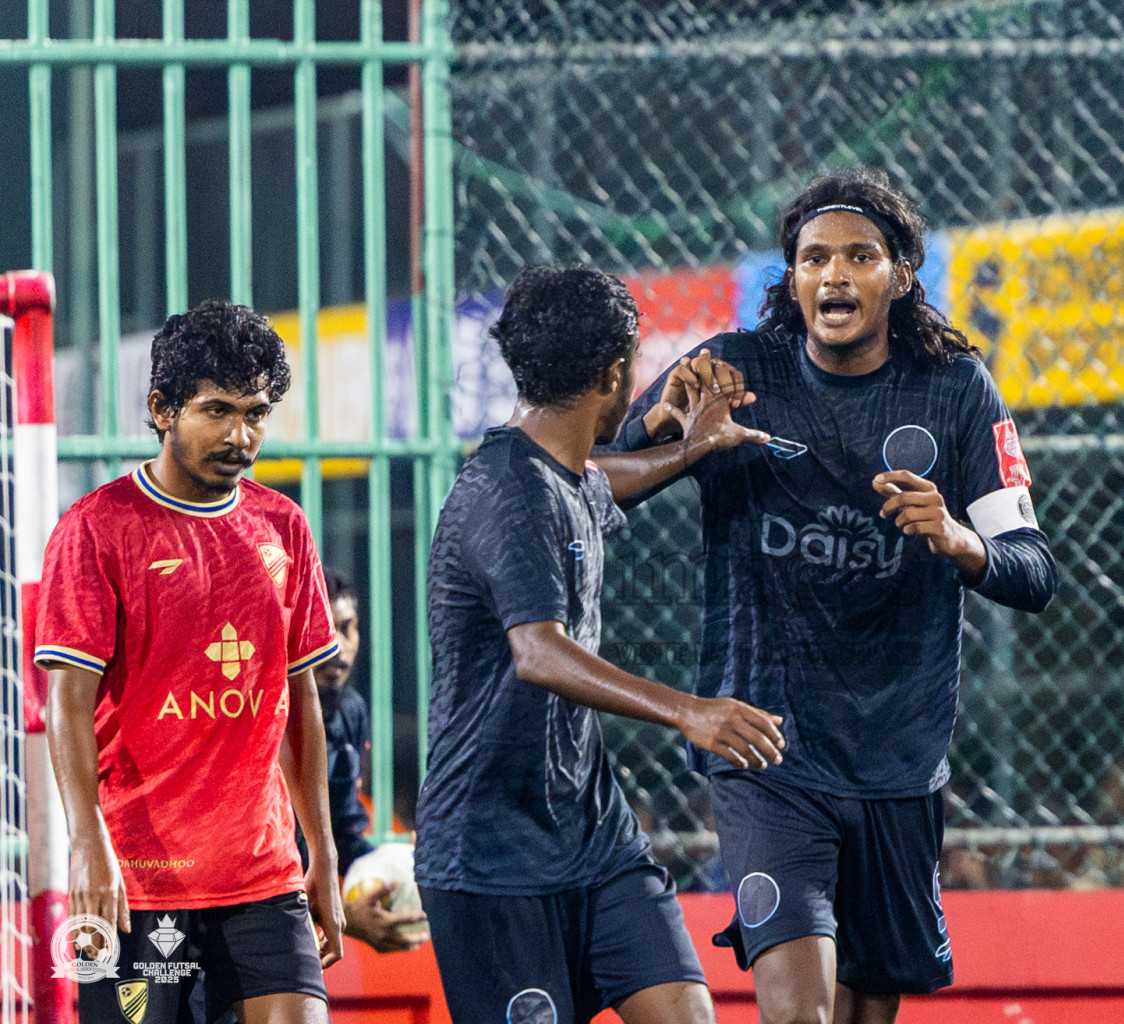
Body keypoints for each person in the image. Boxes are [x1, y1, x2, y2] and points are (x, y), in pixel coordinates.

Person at [600, 167, 1058, 1023]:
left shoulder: (955, 389)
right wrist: (664, 429)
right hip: (766, 746)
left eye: (858, 257)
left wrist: (956, 537)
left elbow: (1033, 570)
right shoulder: (732, 370)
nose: (834, 275)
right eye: (814, 258)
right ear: (793, 276)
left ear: (901, 275)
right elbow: (589, 482)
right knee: (800, 1014)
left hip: (897, 755)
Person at [413, 265, 786, 1024]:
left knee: (687, 1014)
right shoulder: (507, 492)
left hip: (593, 836)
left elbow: (601, 482)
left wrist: (691, 446)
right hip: (489, 854)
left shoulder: (556, 472)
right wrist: (689, 711)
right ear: (615, 373)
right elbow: (538, 652)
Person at [34, 300, 344, 1024]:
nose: (241, 436)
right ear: (161, 409)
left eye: (256, 414)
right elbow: (67, 704)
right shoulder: (96, 529)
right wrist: (87, 842)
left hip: (263, 876)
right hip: (137, 880)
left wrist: (324, 855)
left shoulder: (283, 527)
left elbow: (300, 702)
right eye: (217, 411)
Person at [308, 566, 429, 953]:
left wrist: (412, 868)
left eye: (347, 629)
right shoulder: (266, 713)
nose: (337, 646)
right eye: (323, 630)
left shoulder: (351, 712)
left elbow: (343, 832)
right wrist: (339, 914)